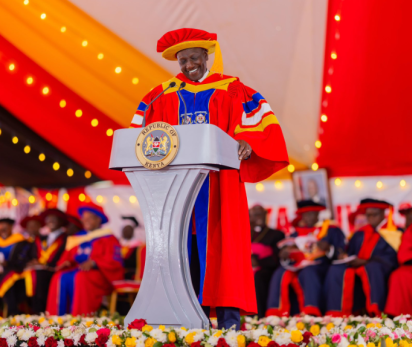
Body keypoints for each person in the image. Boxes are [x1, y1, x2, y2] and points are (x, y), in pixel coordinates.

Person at [130, 28, 288, 328]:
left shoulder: (232, 89)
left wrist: (246, 141)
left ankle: (229, 323)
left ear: (207, 57)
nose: (188, 65)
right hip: (175, 185)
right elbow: (140, 134)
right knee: (181, 250)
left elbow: (258, 123)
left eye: (193, 58)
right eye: (182, 60)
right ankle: (189, 320)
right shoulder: (161, 94)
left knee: (223, 249)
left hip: (220, 184)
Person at [266, 200, 345, 316]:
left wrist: (329, 248)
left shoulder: (330, 230)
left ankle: (311, 311)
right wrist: (286, 255)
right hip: (297, 266)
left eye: (312, 214)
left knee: (308, 272)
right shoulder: (295, 234)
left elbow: (341, 252)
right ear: (301, 216)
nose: (309, 217)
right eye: (306, 215)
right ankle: (276, 313)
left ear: (318, 214)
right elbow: (288, 254)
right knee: (279, 273)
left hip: (321, 266)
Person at [46, 203, 123, 315]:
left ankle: (80, 317)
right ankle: (57, 317)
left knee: (81, 277)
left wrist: (94, 262)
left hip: (100, 274)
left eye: (90, 218)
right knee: (59, 276)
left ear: (98, 220)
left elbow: (115, 261)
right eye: (84, 218)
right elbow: (68, 256)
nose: (85, 221)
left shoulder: (108, 238)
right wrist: (66, 262)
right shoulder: (78, 237)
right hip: (78, 270)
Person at [325, 198, 398, 316]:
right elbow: (350, 250)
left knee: (372, 268)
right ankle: (338, 313)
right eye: (368, 215)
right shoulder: (360, 233)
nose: (371, 218)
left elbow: (392, 257)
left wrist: (366, 261)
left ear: (382, 214)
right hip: (358, 265)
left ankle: (376, 311)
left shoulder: (393, 232)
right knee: (336, 269)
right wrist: (345, 256)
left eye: (374, 215)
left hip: (379, 267)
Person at [26, 208, 69, 313]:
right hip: (39, 269)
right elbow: (34, 253)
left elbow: (65, 256)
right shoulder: (42, 238)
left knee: (40, 276)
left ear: (61, 221)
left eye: (54, 219)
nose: (50, 221)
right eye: (48, 219)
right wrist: (34, 261)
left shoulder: (66, 238)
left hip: (55, 269)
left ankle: (42, 311)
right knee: (28, 275)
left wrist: (46, 265)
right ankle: (30, 310)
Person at [248, 205, 284, 318]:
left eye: (260, 214)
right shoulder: (246, 233)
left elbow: (277, 258)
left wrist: (258, 262)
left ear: (265, 215)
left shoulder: (276, 234)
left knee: (258, 277)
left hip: (267, 270)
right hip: (247, 269)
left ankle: (258, 316)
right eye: (254, 215)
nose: (257, 217)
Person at [0, 218, 34, 315]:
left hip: (16, 270)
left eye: (5, 227)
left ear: (11, 227)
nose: (3, 229)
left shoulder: (20, 241)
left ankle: (12, 311)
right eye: (1, 226)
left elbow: (23, 259)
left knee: (7, 279)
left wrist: (8, 264)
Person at [119, 216, 145, 281]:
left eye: (129, 229)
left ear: (133, 231)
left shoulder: (139, 246)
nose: (127, 231)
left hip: (132, 274)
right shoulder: (117, 244)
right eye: (125, 229)